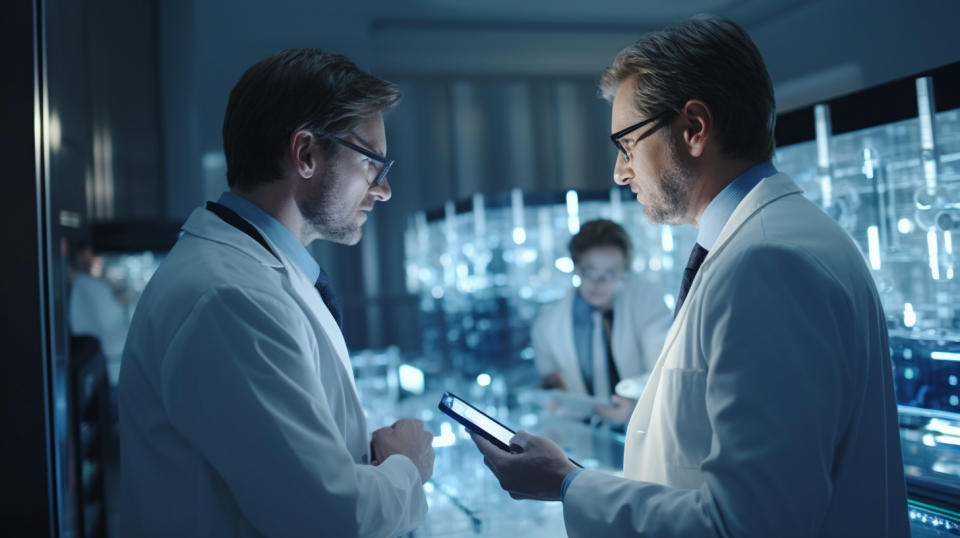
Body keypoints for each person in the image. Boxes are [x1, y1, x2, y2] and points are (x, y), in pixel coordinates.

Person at [472, 14, 909, 537]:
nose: (620, 171)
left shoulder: (766, 263)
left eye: (627, 142)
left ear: (694, 128)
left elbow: (749, 526)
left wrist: (567, 484)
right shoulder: (763, 244)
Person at [118, 49, 434, 537]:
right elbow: (327, 520)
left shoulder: (253, 276)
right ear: (305, 154)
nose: (384, 189)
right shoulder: (229, 297)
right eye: (374, 162)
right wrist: (407, 466)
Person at [531, 219, 670, 422]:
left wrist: (633, 401)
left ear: (624, 272)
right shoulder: (547, 324)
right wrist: (551, 393)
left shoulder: (647, 301)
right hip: (580, 437)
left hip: (643, 425)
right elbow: (550, 385)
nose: (599, 283)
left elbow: (665, 369)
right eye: (590, 272)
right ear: (576, 267)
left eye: (610, 273)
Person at [68, 243, 129, 385]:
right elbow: (111, 321)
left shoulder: (88, 284)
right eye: (88, 257)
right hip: (111, 365)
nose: (95, 261)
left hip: (110, 365)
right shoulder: (87, 285)